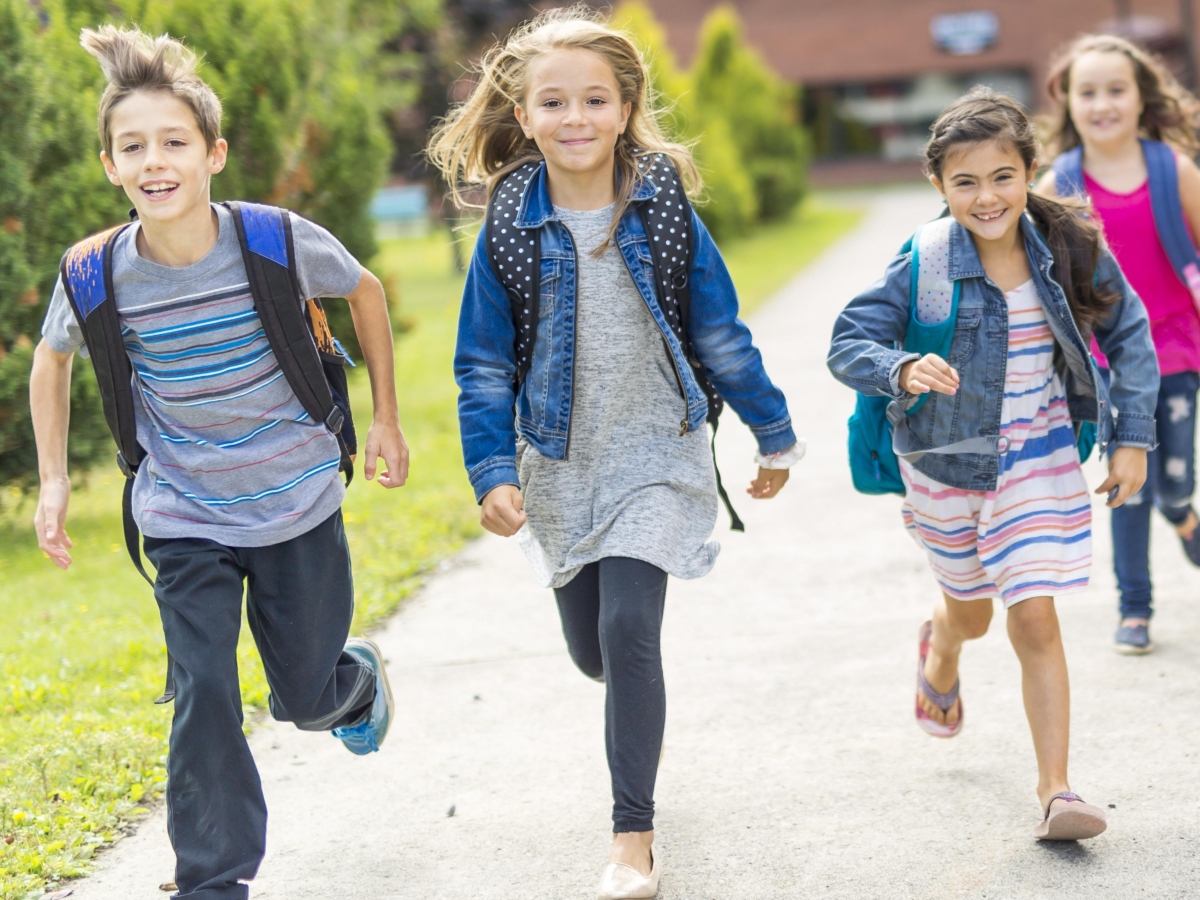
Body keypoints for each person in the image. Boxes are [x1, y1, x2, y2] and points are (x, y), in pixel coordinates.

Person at [428, 7, 801, 897]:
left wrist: (773, 429)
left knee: (630, 629)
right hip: (558, 465)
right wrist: (490, 470)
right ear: (524, 116)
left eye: (595, 99)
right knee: (596, 651)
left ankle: (632, 839)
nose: (576, 118)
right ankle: (625, 709)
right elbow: (481, 362)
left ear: (626, 107)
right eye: (554, 102)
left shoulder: (664, 207)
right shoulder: (511, 224)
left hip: (657, 453)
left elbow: (720, 331)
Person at [29, 25, 408, 900]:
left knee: (303, 698)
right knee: (202, 689)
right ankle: (213, 882)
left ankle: (349, 685)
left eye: (173, 142)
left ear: (213, 155)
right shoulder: (96, 273)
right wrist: (55, 482)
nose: (154, 161)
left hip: (296, 502)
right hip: (182, 513)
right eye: (134, 147)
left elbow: (366, 290)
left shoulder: (271, 241)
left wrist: (385, 419)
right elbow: (51, 359)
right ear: (109, 166)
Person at [828, 88, 1159, 840]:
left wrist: (1130, 436)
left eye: (1003, 176)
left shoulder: (1070, 243)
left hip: (1038, 459)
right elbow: (849, 342)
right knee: (972, 614)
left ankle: (1057, 790)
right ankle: (940, 644)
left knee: (1035, 616)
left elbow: (1131, 332)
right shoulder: (926, 259)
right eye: (966, 182)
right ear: (939, 186)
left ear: (1029, 169)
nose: (987, 196)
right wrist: (903, 365)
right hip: (943, 467)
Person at [1038, 34, 1200, 654]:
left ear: (1140, 98)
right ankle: (1135, 607)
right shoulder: (1061, 182)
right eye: (1088, 92)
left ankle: (1183, 512)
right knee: (1129, 481)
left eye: (1116, 89)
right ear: (1068, 104)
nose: (1102, 103)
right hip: (1108, 363)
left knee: (1175, 479)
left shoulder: (1172, 169)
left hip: (1179, 351)